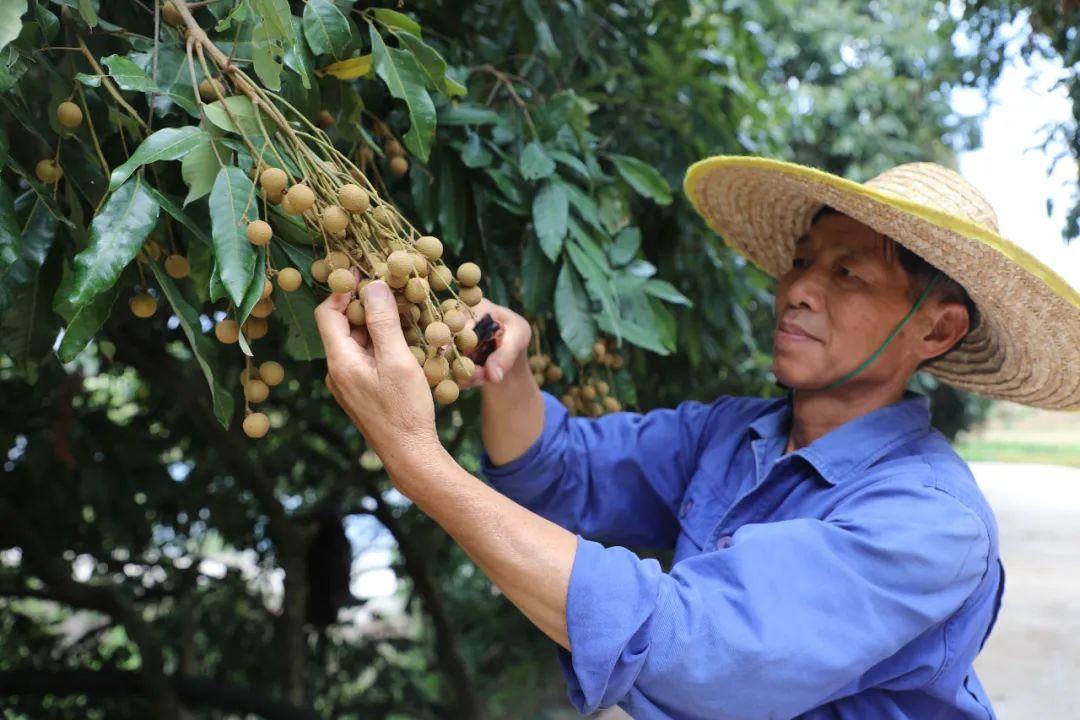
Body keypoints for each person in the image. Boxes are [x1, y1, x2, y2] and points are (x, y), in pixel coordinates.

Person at [313, 156, 1080, 719]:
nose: (799, 289)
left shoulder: (930, 521)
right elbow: (557, 476)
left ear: (937, 330)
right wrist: (505, 373)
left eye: (849, 275)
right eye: (805, 261)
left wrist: (415, 459)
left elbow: (693, 650)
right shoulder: (732, 433)